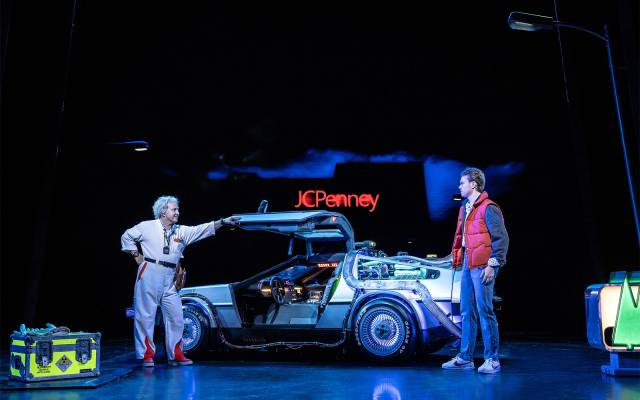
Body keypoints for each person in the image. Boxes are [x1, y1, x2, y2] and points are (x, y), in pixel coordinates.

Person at [121, 195, 239, 367]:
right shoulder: (146, 226)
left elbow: (202, 229)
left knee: (176, 317)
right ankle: (147, 355)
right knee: (145, 316)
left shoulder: (180, 231)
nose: (178, 212)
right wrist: (135, 254)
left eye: (177, 209)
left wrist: (223, 222)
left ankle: (176, 354)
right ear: (163, 211)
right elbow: (126, 236)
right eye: (174, 209)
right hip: (150, 272)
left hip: (170, 276)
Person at [442, 167, 509, 374]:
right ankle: (465, 358)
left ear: (473, 184)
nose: (459, 186)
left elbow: (501, 239)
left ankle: (492, 359)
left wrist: (492, 264)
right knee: (466, 312)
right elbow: (462, 238)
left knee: (484, 311)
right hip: (468, 264)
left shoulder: (489, 207)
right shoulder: (465, 208)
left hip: (483, 265)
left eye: (462, 183)